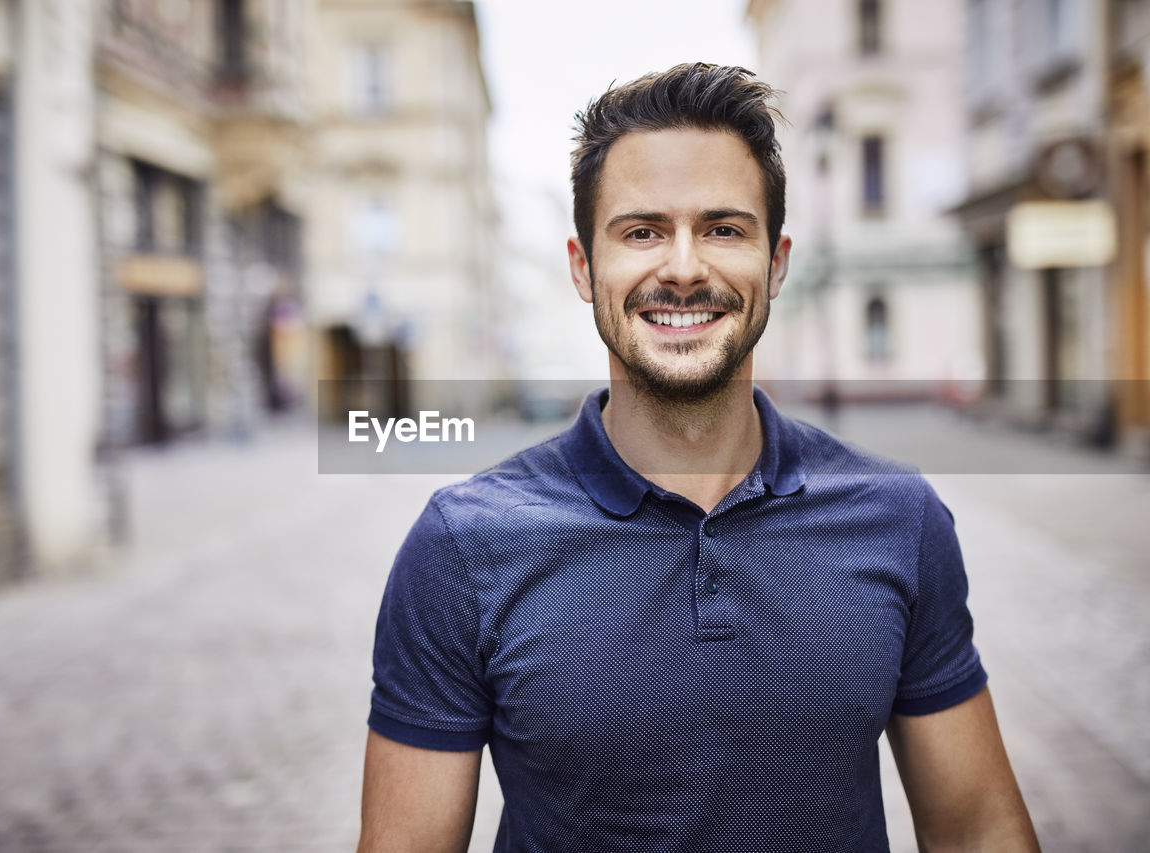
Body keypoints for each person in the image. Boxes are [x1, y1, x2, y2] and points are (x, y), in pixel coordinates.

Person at [357, 63, 1039, 852]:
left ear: (776, 262)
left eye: (723, 228)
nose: (683, 268)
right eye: (642, 231)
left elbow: (978, 825)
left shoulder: (897, 516)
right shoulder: (461, 546)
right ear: (583, 267)